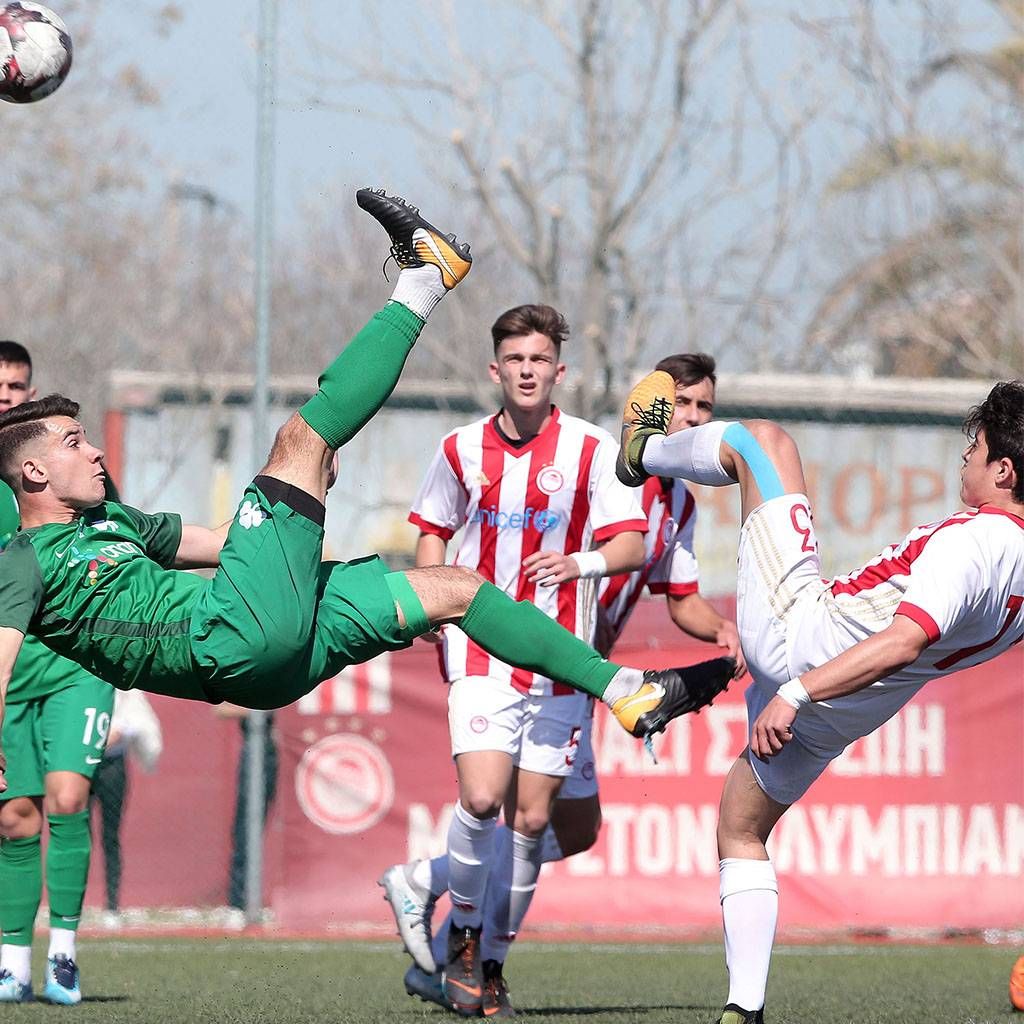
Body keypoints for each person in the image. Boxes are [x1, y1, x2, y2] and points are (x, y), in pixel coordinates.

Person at [0, 190, 735, 901]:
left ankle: (626, 691)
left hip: (268, 649)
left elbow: (225, 542)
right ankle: (423, 279)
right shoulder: (22, 560)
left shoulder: (116, 522)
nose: (94, 450)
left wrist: (303, 499)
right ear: (33, 472)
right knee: (300, 436)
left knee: (454, 587)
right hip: (227, 637)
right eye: (74, 442)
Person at [614, 369, 1024, 1024]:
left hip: (803, 644)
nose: (965, 460)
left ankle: (642, 450)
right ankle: (744, 1009)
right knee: (741, 827)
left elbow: (903, 641)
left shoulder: (977, 540)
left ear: (1004, 471)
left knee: (763, 443)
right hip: (849, 709)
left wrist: (796, 692)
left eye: (974, 450)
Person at [389, 352, 747, 1014]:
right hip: (531, 661)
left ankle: (437, 911)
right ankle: (470, 959)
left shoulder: (678, 503)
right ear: (650, 409)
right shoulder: (601, 465)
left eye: (705, 407)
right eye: (682, 404)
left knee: (573, 827)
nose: (695, 418)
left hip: (585, 678)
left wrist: (721, 628)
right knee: (516, 815)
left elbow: (681, 599)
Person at [382, 302, 651, 1017]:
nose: (527, 371)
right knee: (480, 800)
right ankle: (466, 942)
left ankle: (490, 965)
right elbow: (432, 531)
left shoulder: (592, 449)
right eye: (515, 360)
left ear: (558, 371)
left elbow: (631, 544)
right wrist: (431, 600)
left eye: (539, 360)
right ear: (494, 369)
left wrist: (580, 562)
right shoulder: (459, 449)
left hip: (561, 658)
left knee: (531, 823)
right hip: (479, 652)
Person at [0, 341, 118, 1006]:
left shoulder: (68, 468)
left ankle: (65, 954)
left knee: (68, 799)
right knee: (16, 817)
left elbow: (119, 546)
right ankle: (13, 961)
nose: (6, 395)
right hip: (7, 674)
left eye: (17, 385)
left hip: (74, 665)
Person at [91, 688, 163, 928]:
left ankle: (112, 907)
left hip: (112, 764)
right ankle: (71, 905)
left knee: (110, 836)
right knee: (76, 835)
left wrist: (120, 730)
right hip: (81, 762)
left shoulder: (124, 686)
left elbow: (141, 721)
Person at [221, 705, 278, 922]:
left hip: (281, 745)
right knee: (245, 828)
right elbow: (222, 708)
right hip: (257, 746)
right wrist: (258, 712)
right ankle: (239, 903)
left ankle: (260, 901)